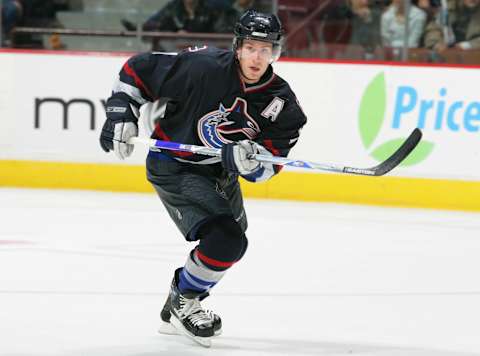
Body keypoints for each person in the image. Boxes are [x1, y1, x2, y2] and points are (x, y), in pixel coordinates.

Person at [99, 10, 307, 346]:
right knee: (227, 240)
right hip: (176, 164)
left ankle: (175, 305)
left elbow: (270, 164)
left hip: (220, 174)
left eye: (266, 49)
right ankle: (185, 300)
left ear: (276, 52)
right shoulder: (203, 67)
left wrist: (250, 163)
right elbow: (137, 70)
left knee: (232, 242)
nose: (258, 57)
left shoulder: (281, 102)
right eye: (251, 47)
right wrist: (121, 110)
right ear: (238, 47)